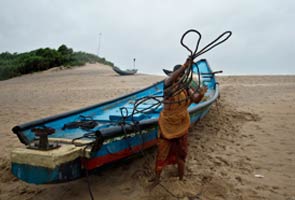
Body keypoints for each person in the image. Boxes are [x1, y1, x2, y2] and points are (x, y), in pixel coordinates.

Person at [151, 59, 207, 186]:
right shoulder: (169, 86)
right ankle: (157, 179)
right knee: (162, 153)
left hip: (181, 125)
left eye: (182, 75)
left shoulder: (186, 88)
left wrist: (202, 93)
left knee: (181, 154)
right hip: (167, 126)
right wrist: (185, 66)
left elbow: (196, 100)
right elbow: (170, 80)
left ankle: (181, 178)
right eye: (178, 75)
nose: (179, 78)